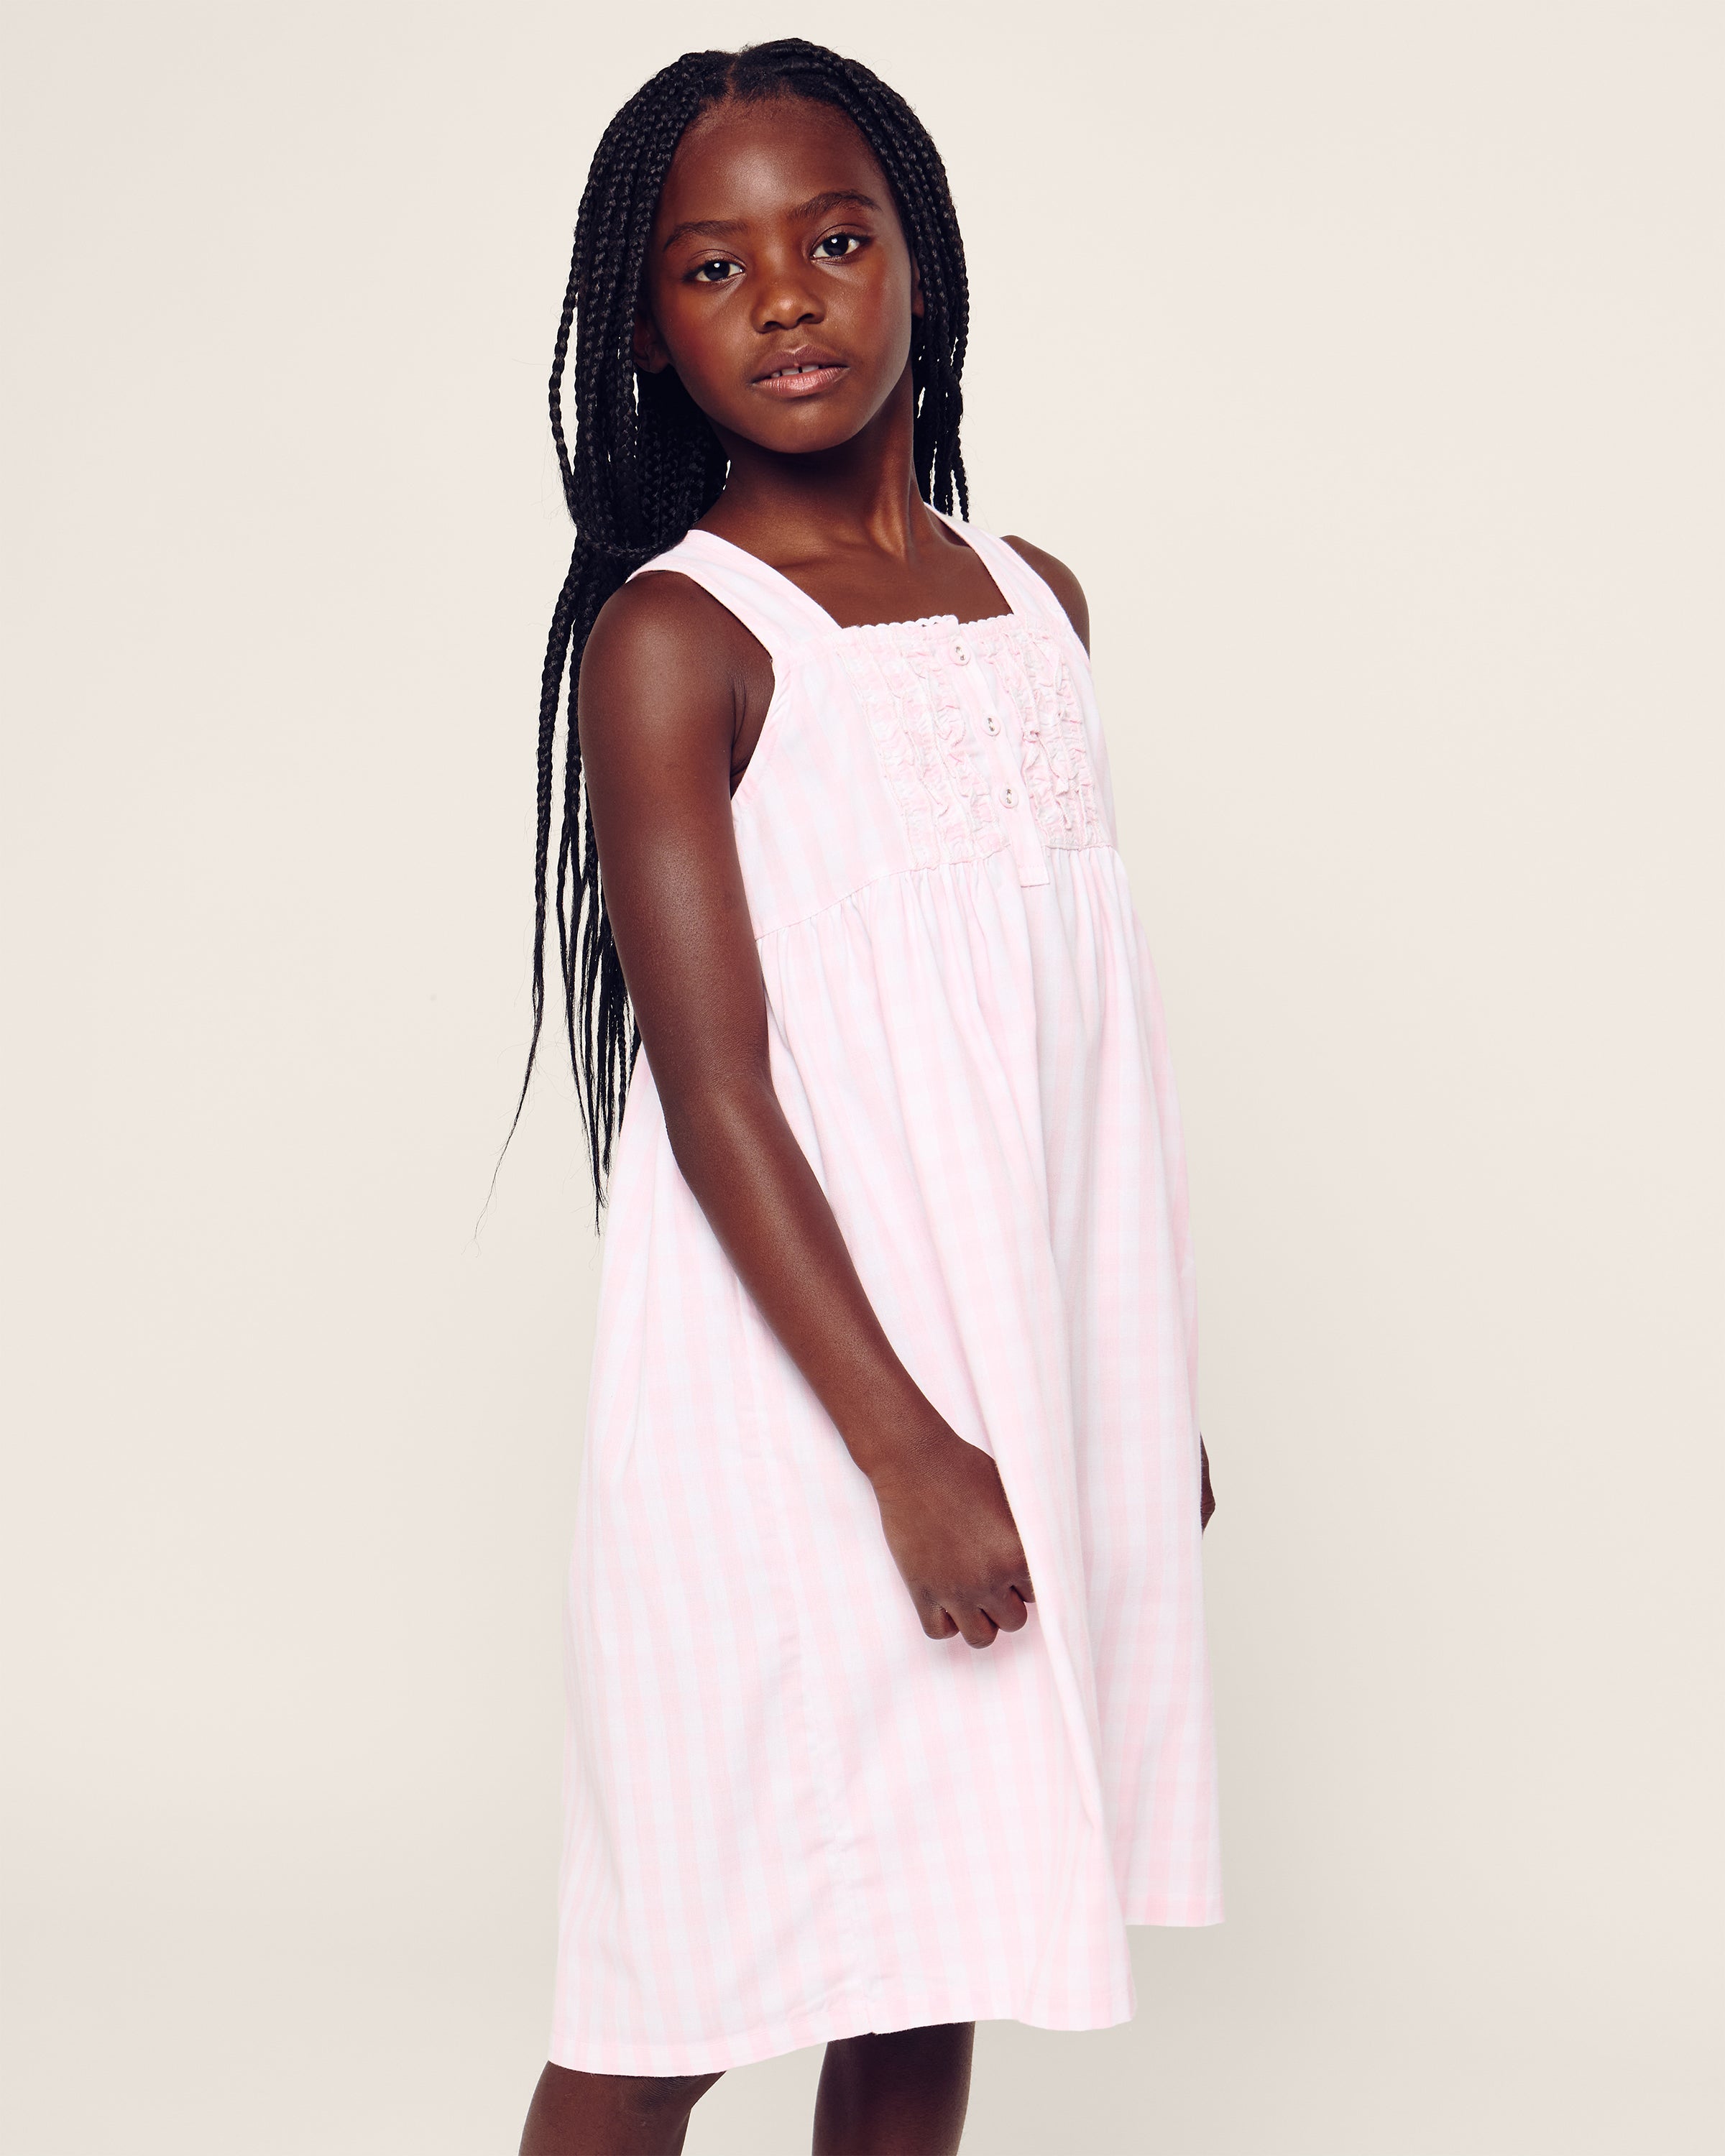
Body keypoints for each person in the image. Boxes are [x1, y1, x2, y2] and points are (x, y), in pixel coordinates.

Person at [510, 39, 1221, 2156]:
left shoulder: (1040, 606)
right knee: (690, 1971)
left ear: (923, 257)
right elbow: (716, 1091)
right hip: (809, 1409)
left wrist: (1124, 1391)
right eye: (717, 269)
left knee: (950, 1938)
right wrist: (906, 1446)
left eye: (835, 240)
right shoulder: (682, 637)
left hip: (1012, 1386)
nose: (792, 298)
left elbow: (1059, 1055)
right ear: (650, 334)